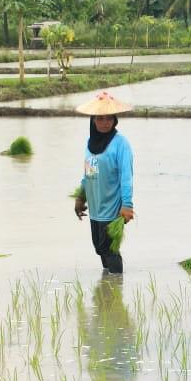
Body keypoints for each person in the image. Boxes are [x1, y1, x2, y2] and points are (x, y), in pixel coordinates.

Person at [74, 91, 135, 274]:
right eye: (100, 119)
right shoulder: (90, 144)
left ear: (115, 120)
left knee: (110, 250)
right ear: (93, 120)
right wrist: (80, 197)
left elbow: (126, 177)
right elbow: (89, 173)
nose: (104, 123)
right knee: (99, 249)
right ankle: (107, 290)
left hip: (113, 208)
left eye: (109, 119)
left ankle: (116, 290)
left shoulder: (121, 144)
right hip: (95, 207)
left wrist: (127, 205)